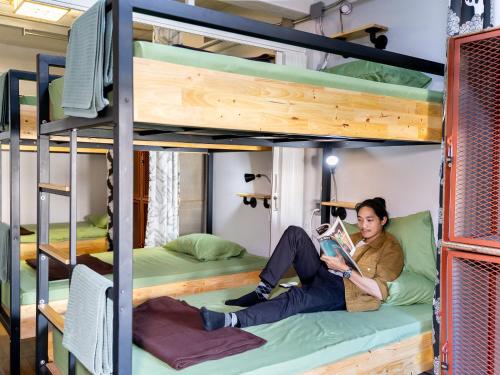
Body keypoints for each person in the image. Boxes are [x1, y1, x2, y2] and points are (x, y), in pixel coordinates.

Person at [201, 197, 404, 331]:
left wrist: (345, 270)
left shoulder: (390, 248)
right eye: (360, 220)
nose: (363, 225)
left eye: (369, 220)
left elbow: (380, 292)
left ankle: (231, 320)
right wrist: (328, 251)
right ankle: (261, 292)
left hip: (342, 290)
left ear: (383, 220)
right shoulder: (355, 235)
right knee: (295, 233)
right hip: (326, 274)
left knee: (295, 297)